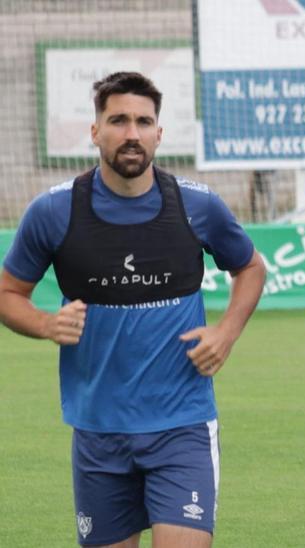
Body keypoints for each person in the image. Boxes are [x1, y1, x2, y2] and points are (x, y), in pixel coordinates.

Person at [0, 71, 266, 547]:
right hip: (98, 433)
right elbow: (7, 293)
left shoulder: (197, 205)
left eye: (143, 122)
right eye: (118, 120)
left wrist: (225, 333)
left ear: (159, 134)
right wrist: (45, 323)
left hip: (181, 427)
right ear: (95, 131)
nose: (131, 133)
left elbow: (250, 267)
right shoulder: (53, 211)